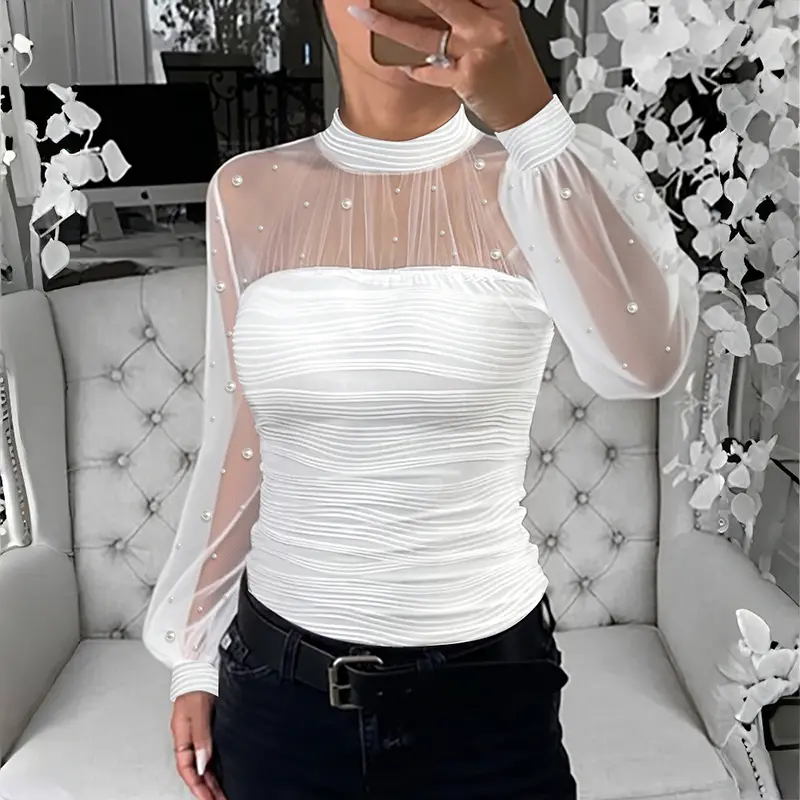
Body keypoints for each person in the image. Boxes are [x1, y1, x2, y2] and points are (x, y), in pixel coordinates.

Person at [143, 0, 700, 797]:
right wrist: (194, 655)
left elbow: (648, 364)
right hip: (277, 689)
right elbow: (242, 434)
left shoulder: (548, 173)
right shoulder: (246, 190)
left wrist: (533, 119)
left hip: (488, 690)